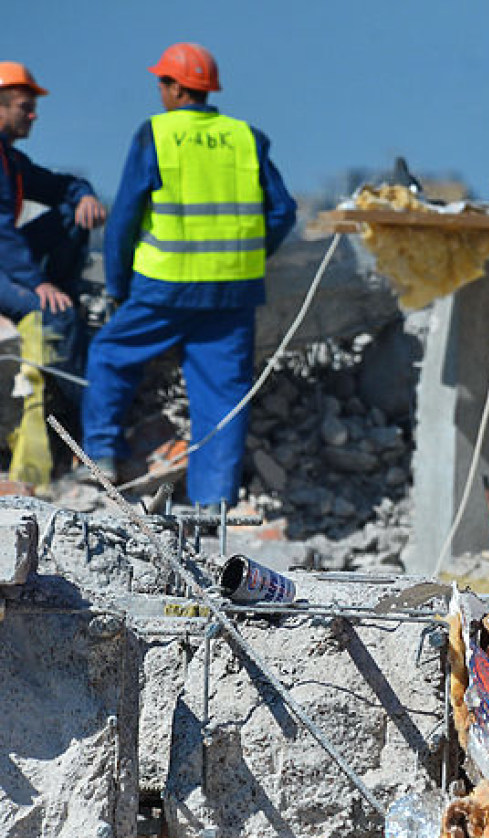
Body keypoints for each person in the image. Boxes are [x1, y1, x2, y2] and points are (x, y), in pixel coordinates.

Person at [81, 42, 296, 504]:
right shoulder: (245, 137)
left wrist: (118, 285)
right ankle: (212, 505)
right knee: (222, 399)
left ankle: (100, 458)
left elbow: (124, 221)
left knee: (109, 354)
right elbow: (282, 212)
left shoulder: (155, 134)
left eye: (162, 82)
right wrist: (248, 257)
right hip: (231, 292)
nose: (159, 90)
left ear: (178, 88)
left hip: (165, 287)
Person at [0, 61, 107, 391]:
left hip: (6, 258)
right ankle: (85, 420)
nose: (33, 116)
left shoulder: (11, 160)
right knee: (56, 316)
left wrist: (84, 196)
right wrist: (38, 284)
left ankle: (66, 292)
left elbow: (59, 185)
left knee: (70, 213)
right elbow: (1, 231)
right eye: (25, 108)